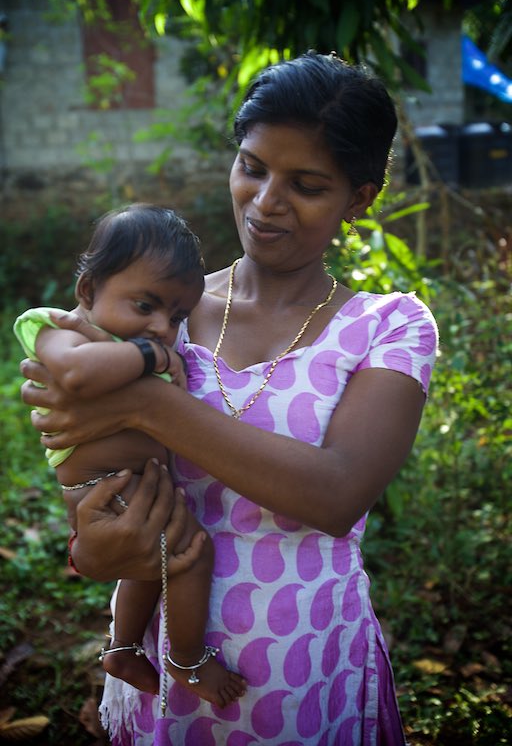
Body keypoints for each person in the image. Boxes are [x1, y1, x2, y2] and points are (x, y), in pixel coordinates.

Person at [20, 52, 438, 745]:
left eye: (305, 184)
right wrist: (90, 551)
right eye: (252, 167)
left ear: (359, 198)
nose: (267, 201)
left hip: (308, 668)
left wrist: (145, 403)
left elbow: (337, 496)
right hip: (161, 669)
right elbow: (88, 461)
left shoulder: (387, 326)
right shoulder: (162, 311)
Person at [14, 203, 246, 710]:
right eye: (146, 306)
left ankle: (120, 648)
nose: (163, 326)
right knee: (190, 555)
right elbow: (76, 374)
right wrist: (155, 358)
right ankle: (186, 659)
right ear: (88, 291)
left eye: (177, 316)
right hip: (102, 490)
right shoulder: (58, 330)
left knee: (149, 563)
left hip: (135, 487)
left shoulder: (136, 344)